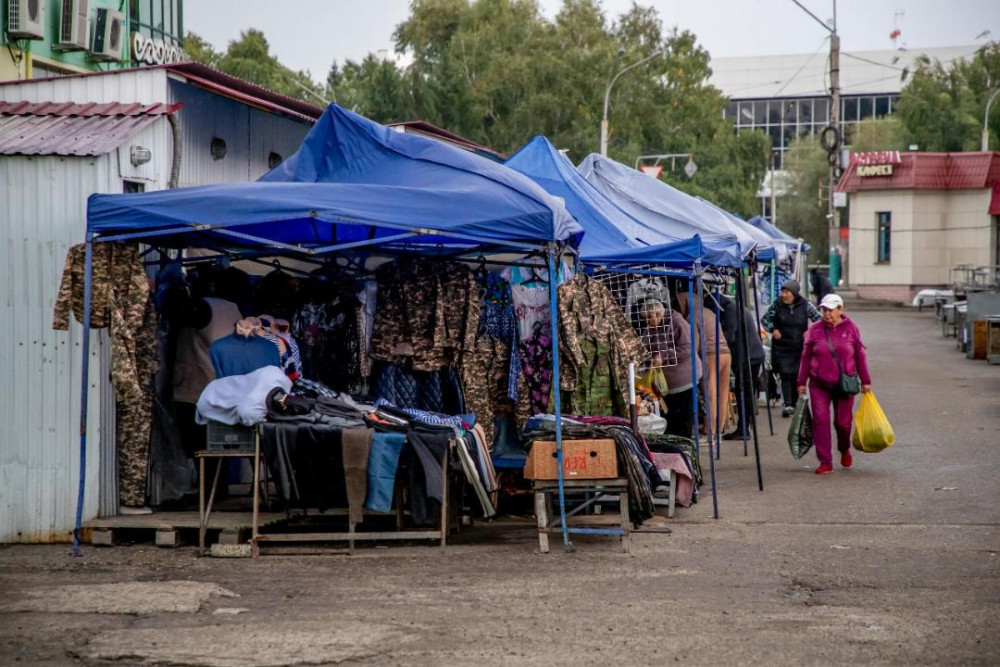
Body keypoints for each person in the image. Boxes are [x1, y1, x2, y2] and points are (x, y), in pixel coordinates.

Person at [797, 294, 872, 475]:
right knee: (820, 420)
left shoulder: (851, 329)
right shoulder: (814, 330)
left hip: (844, 383)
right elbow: (806, 357)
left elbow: (860, 356)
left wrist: (866, 380)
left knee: (843, 423)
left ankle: (844, 449)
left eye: (830, 310)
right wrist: (801, 382)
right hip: (818, 383)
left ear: (840, 310)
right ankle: (825, 461)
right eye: (824, 310)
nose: (827, 313)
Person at [641, 298, 702, 440]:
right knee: (670, 420)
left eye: (649, 317)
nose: (648, 321)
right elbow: (644, 347)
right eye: (645, 318)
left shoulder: (677, 322)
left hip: (684, 380)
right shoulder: (650, 328)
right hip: (665, 385)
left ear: (656, 314)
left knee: (683, 420)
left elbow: (688, 348)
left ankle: (684, 450)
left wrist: (663, 356)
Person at [675, 286, 731, 440]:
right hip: (725, 352)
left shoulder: (692, 316)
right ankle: (719, 428)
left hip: (711, 355)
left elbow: (693, 344)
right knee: (722, 393)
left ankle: (710, 429)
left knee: (709, 394)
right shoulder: (709, 312)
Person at [761, 279, 821, 417]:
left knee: (797, 375)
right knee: (785, 374)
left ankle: (795, 403)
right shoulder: (777, 305)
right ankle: (787, 404)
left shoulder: (806, 305)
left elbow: (819, 320)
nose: (784, 295)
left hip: (800, 346)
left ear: (794, 293)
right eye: (783, 291)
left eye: (787, 292)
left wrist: (810, 331)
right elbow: (765, 320)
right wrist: (773, 329)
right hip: (782, 346)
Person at [721, 297, 766, 441]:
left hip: (748, 357)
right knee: (746, 392)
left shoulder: (730, 310)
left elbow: (729, 335)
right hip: (752, 355)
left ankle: (743, 429)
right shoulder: (736, 307)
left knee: (743, 392)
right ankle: (745, 425)